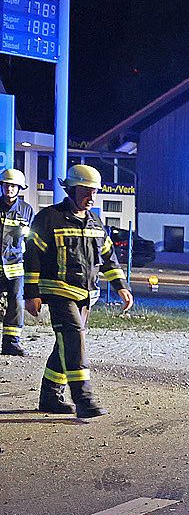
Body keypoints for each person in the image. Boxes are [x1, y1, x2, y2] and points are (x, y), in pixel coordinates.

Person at [23, 163, 133, 418]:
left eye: (94, 192)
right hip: (59, 292)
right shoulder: (49, 218)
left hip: (86, 296)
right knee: (74, 341)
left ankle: (50, 396)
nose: (91, 197)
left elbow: (108, 258)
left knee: (65, 345)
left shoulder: (95, 222)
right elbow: (32, 258)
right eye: (85, 191)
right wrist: (31, 294)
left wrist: (121, 287)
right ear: (71, 190)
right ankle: (84, 400)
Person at [0, 167, 34, 355]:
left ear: (19, 188)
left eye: (13, 186)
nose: (9, 189)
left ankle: (11, 343)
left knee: (17, 303)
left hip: (15, 266)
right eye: (6, 185)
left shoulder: (26, 210)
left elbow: (31, 241)